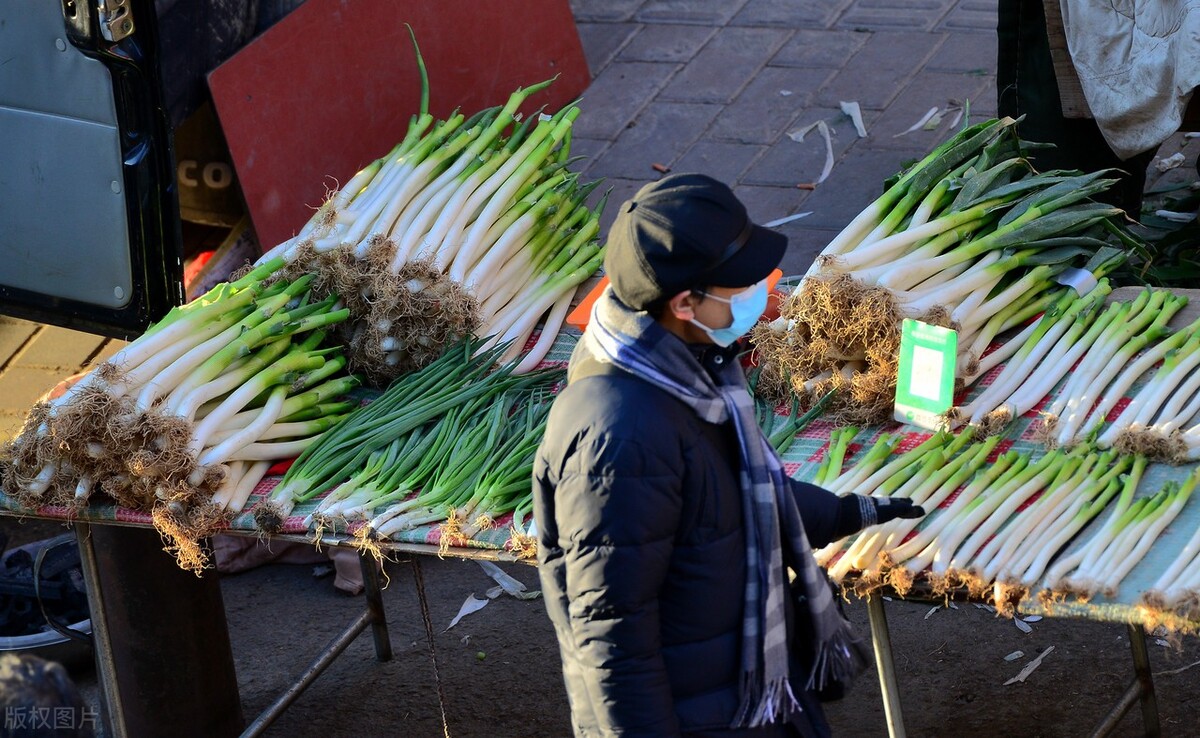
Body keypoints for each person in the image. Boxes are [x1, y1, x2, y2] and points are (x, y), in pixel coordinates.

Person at [532, 173, 926, 738]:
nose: (757, 293)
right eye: (738, 287)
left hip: (738, 691)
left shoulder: (683, 368)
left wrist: (846, 513)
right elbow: (612, 639)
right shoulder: (619, 440)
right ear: (686, 302)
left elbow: (725, 499)